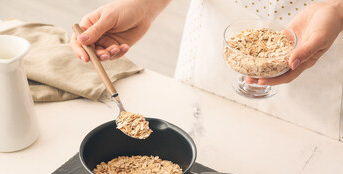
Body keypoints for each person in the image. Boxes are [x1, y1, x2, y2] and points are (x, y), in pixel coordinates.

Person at [70, 0, 343, 140]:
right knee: (203, 135)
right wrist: (145, 5)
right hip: (217, 34)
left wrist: (337, 8)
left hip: (323, 40)